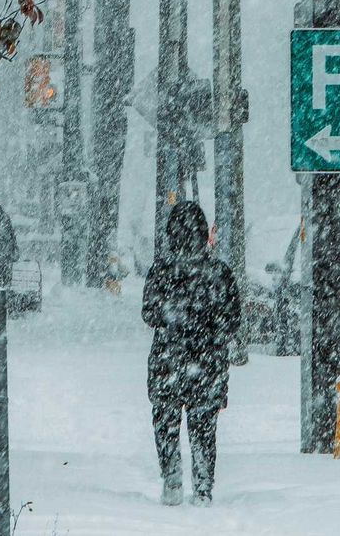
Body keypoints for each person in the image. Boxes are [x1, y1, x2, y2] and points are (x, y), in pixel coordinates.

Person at [142, 201, 240, 506]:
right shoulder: (218, 272)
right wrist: (210, 331)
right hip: (206, 363)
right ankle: (202, 486)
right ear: (202, 233)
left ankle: (172, 480)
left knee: (166, 423)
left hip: (167, 361)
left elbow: (149, 313)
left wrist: (173, 317)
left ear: (171, 233)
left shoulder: (161, 269)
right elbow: (232, 318)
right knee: (203, 426)